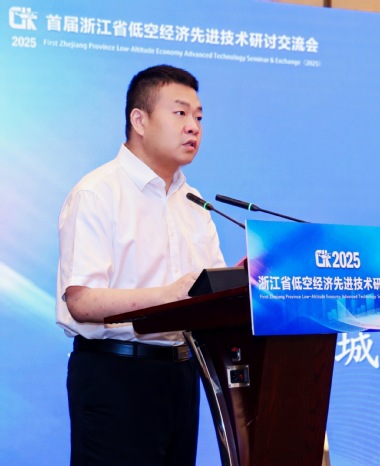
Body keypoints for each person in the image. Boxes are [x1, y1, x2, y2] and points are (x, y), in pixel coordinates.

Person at [56, 64, 226, 466]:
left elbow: (209, 292)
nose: (193, 127)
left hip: (183, 375)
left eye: (199, 117)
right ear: (140, 120)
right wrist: (168, 297)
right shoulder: (98, 193)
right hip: (116, 376)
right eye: (180, 113)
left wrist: (237, 284)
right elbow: (81, 301)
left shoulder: (193, 202)